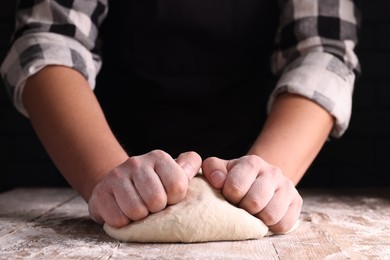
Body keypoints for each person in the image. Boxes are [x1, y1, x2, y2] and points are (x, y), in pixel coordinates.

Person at [1, 0, 360, 234]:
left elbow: (322, 51)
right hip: (104, 152)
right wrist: (103, 176)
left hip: (257, 145)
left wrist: (262, 183)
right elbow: (49, 39)